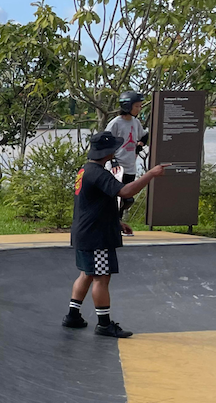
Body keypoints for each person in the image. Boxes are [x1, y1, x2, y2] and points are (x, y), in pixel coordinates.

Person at [63, 132, 166, 338]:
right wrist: (151, 174)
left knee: (87, 273)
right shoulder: (99, 173)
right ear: (108, 152)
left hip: (85, 231)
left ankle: (73, 316)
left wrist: (116, 222)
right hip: (96, 236)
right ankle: (104, 324)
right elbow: (126, 191)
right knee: (101, 277)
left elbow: (91, 204)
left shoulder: (85, 170)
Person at [106, 90, 149, 223]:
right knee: (116, 199)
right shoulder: (116, 123)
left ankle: (118, 222)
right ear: (127, 106)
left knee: (128, 200)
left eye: (140, 106)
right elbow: (106, 142)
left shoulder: (135, 122)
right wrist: (113, 161)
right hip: (117, 167)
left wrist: (140, 145)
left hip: (130, 166)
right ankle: (114, 223)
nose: (139, 109)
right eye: (137, 106)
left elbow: (144, 135)